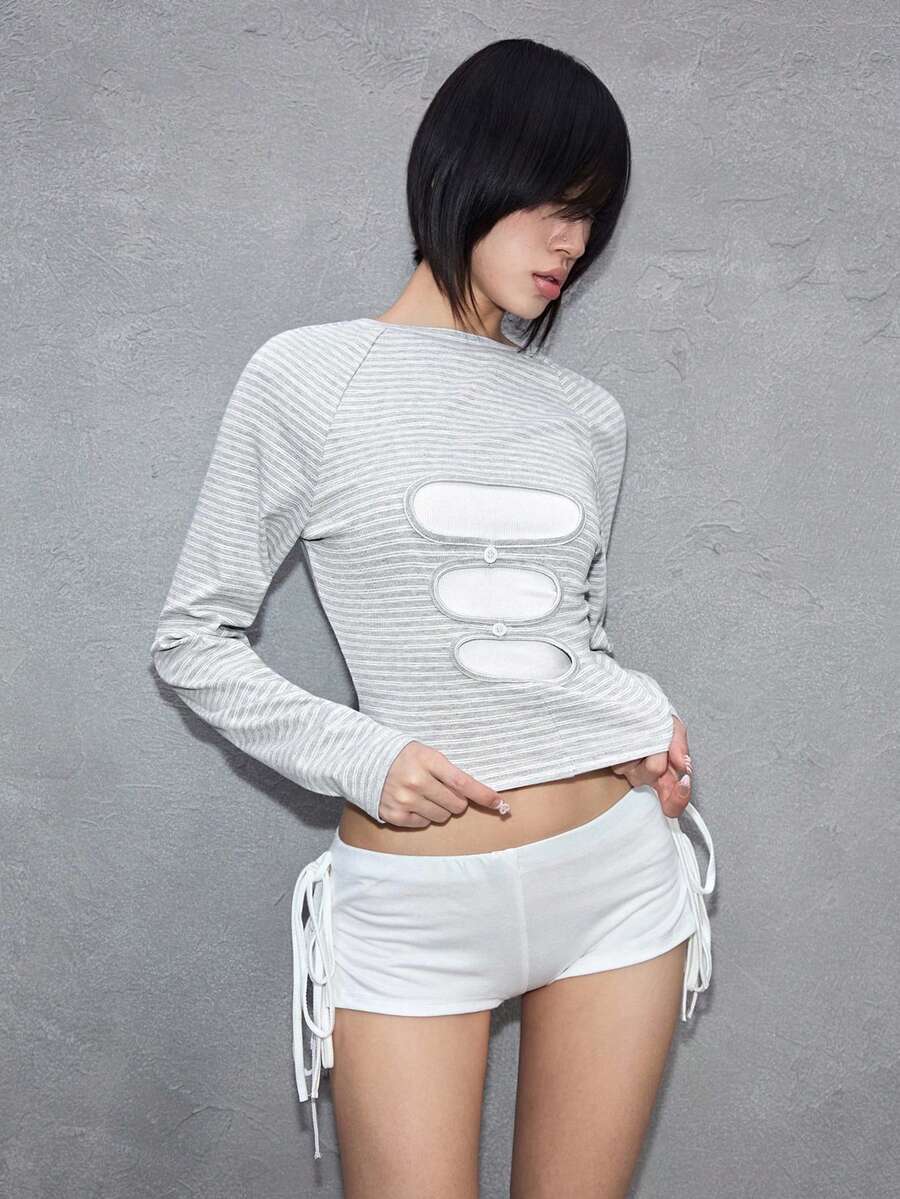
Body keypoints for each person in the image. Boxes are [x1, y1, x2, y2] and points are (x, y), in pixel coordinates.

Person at [150, 36, 716, 1199]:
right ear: (465, 173)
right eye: (555, 204)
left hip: (616, 874)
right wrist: (362, 754)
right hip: (416, 906)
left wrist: (639, 721)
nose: (572, 243)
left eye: (592, 216)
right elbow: (192, 638)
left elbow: (569, 636)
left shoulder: (589, 416)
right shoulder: (310, 377)